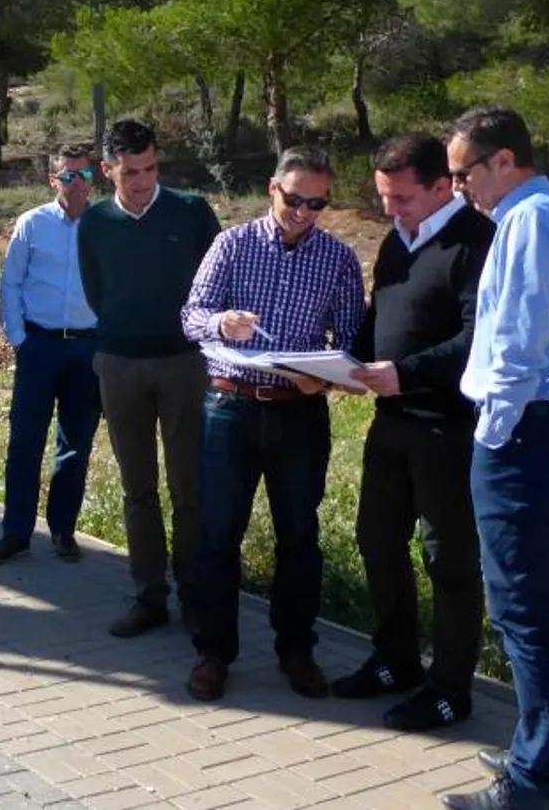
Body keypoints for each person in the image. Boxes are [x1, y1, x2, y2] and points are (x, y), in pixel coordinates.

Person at [441, 107, 549, 810]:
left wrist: (492, 433)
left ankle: (533, 782)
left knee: (526, 609)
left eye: (463, 173)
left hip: (525, 434)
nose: (458, 189)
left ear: (503, 161)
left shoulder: (529, 221)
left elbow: (517, 340)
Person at [178, 145, 364, 702]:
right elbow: (191, 316)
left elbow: (351, 338)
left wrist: (326, 378)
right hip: (230, 407)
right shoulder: (230, 245)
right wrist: (221, 321)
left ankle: (296, 649)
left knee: (300, 536)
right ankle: (213, 653)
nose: (305, 211)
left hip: (298, 413)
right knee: (218, 535)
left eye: (318, 203)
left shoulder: (337, 259)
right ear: (271, 189)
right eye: (295, 198)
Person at [336, 134, 494, 732]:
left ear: (441, 186)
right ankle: (395, 659)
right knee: (376, 538)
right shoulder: (394, 244)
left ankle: (451, 687)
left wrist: (403, 373)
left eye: (401, 198)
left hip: (447, 428)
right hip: (392, 422)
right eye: (383, 197)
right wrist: (345, 365)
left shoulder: (477, 244)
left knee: (448, 559)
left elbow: (476, 339)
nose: (389, 210)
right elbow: (381, 319)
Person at [75, 119, 222, 636]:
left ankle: (195, 593)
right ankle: (149, 594)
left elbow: (217, 282)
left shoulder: (190, 212)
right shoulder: (94, 224)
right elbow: (97, 292)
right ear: (107, 168)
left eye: (151, 168)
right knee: (138, 488)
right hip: (119, 364)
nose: (142, 180)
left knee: (190, 486)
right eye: (130, 170)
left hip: (184, 363)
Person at [0, 144, 104, 565]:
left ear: (94, 180)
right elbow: (12, 283)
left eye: (84, 176)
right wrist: (19, 338)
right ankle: (15, 532)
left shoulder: (107, 224)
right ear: (53, 180)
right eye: (68, 176)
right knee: (25, 441)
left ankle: (63, 531)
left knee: (76, 445)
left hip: (88, 349)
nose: (77, 184)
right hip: (40, 346)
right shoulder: (32, 223)